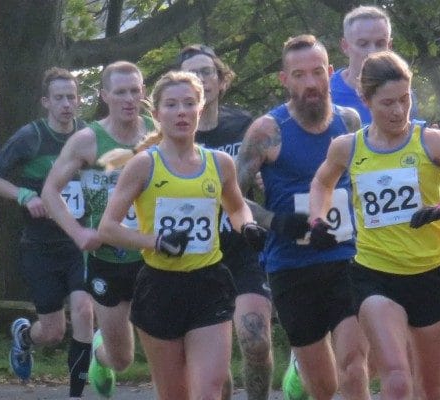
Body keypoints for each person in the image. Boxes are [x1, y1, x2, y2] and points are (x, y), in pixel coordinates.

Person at [309, 50, 440, 400]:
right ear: (366, 101)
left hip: (432, 272)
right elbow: (321, 183)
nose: (398, 111)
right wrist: (317, 218)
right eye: (387, 103)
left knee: (431, 387)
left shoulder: (431, 141)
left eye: (405, 99)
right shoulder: (347, 148)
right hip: (375, 274)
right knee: (396, 379)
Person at [96, 70, 267, 400]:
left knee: (209, 391)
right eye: (172, 105)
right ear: (157, 113)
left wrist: (246, 226)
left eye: (189, 104)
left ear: (200, 110)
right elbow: (108, 228)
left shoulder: (220, 164)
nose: (181, 112)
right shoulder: (143, 165)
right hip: (160, 289)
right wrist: (156, 241)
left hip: (209, 285)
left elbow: (236, 207)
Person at [235, 34, 369, 400]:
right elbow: (230, 196)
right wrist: (274, 221)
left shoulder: (350, 121)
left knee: (355, 364)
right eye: (299, 75)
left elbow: (362, 183)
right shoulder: (267, 131)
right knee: (324, 387)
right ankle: (300, 375)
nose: (310, 83)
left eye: (316, 73)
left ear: (329, 72)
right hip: (291, 266)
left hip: (346, 257)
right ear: (284, 80)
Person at [42, 61, 158, 398]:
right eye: (120, 92)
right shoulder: (88, 141)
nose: (128, 99)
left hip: (151, 254)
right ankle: (99, 354)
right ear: (105, 95)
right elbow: (50, 191)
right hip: (106, 258)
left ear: (143, 93)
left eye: (135, 91)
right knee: (122, 360)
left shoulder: (157, 134)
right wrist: (78, 234)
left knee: (162, 340)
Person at [0, 68, 95, 398]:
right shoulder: (30, 137)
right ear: (46, 102)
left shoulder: (88, 137)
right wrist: (24, 195)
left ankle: (76, 392)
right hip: (40, 246)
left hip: (78, 241)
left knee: (84, 310)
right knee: (53, 332)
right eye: (59, 98)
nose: (66, 104)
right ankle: (25, 338)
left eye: (71, 97)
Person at [177, 44, 274, 400]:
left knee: (256, 341)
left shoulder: (245, 125)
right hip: (195, 254)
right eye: (192, 73)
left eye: (207, 71)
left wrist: (265, 178)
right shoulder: (171, 132)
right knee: (213, 368)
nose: (200, 79)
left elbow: (264, 166)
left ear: (220, 80)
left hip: (242, 247)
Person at [331, 5, 417, 125]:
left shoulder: (403, 96)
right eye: (363, 44)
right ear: (345, 46)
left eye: (380, 44)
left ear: (390, 46)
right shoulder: (327, 92)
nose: (372, 52)